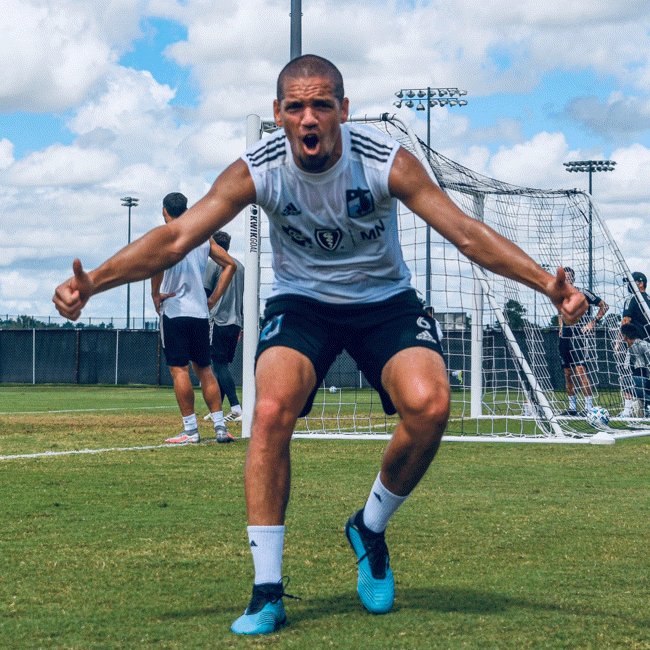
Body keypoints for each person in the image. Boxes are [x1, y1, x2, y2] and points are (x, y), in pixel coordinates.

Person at [53, 54, 588, 636]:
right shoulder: (257, 169)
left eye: (321, 105)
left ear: (343, 110)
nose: (309, 118)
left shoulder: (384, 160)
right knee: (270, 409)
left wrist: (546, 283)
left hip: (384, 302)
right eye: (296, 107)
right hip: (302, 304)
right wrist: (93, 282)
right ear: (279, 113)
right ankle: (266, 591)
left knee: (431, 405)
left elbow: (464, 232)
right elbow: (177, 237)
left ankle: (369, 527)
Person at [151, 193, 237, 444]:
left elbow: (155, 265)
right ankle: (220, 427)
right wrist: (213, 299)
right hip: (200, 313)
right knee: (205, 370)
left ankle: (190, 430)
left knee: (179, 370)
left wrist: (155, 295)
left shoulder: (164, 236)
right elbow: (230, 265)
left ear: (165, 211)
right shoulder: (202, 236)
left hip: (174, 311)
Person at [203, 230, 245, 423]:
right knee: (222, 366)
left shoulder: (213, 264)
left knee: (218, 365)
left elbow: (205, 292)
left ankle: (236, 407)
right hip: (236, 322)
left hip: (218, 320)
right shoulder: (240, 267)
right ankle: (217, 410)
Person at [557, 267, 608, 416]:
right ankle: (572, 407)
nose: (566, 279)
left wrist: (592, 323)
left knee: (580, 371)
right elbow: (560, 313)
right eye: (564, 277)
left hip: (579, 336)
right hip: (565, 338)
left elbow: (604, 306)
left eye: (569, 277)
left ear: (573, 279)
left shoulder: (583, 293)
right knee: (567, 373)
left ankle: (588, 408)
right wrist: (561, 327)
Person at [620, 323, 650, 417]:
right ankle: (644, 407)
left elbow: (642, 368)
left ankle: (627, 412)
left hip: (647, 380)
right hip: (644, 380)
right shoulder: (632, 346)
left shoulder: (639, 346)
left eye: (622, 335)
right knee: (627, 380)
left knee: (626, 381)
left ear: (625, 336)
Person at [621, 271, 650, 340]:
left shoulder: (632, 299)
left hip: (638, 340)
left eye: (631, 282)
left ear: (641, 284)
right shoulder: (648, 299)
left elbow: (625, 322)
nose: (629, 284)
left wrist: (618, 343)